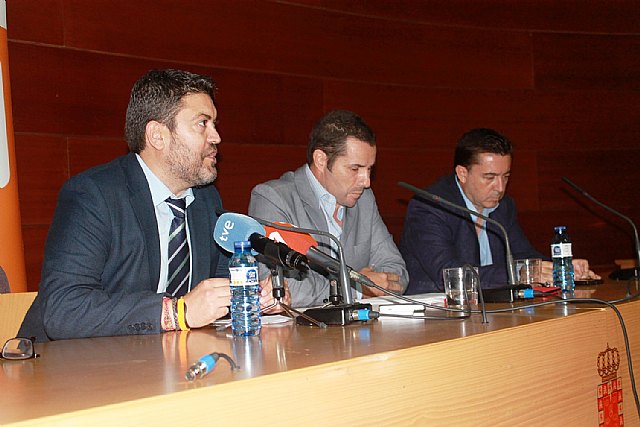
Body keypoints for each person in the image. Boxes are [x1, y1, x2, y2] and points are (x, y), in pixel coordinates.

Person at [19, 69, 279, 341]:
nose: (216, 137)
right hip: (72, 362)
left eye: (214, 124)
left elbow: (216, 285)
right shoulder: (94, 195)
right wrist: (176, 312)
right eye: (202, 123)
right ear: (157, 135)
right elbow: (63, 310)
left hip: (165, 357)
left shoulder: (205, 199)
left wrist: (250, 295)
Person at [400, 128, 599, 294]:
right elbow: (448, 274)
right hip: (437, 312)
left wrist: (561, 269)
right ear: (462, 173)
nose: (500, 187)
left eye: (506, 177)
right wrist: (521, 273)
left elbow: (523, 253)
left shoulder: (503, 206)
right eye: (490, 177)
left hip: (492, 307)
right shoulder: (431, 206)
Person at [248, 109, 408, 308]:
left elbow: (396, 271)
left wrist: (371, 285)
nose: (366, 181)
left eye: (369, 169)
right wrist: (357, 289)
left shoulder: (364, 200)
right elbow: (278, 284)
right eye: (355, 169)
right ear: (321, 160)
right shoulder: (273, 198)